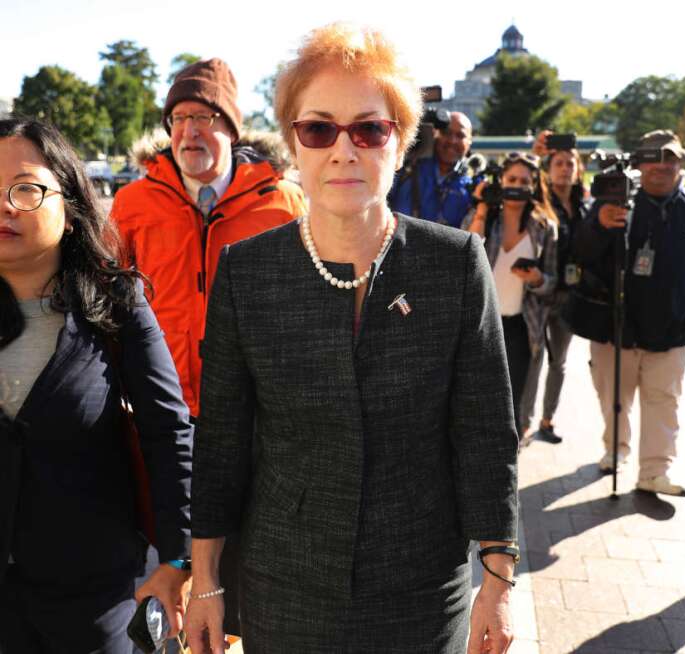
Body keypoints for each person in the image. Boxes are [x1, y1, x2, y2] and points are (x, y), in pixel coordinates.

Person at [183, 23, 519, 654]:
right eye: (319, 129)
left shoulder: (455, 263)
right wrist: (205, 580)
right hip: (283, 584)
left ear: (399, 144)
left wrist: (498, 582)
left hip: (420, 587)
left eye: (369, 129)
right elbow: (222, 439)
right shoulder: (247, 272)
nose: (344, 150)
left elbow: (484, 431)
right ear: (293, 144)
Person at [0, 118, 192, 652]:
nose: (6, 205)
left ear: (70, 205)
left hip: (98, 597)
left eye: (26, 188)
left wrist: (178, 558)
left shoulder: (117, 303)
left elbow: (167, 431)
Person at [111, 57, 307, 419]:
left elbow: (307, 305)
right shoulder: (131, 203)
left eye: (204, 117)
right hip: (160, 402)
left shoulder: (284, 202)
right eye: (179, 119)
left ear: (231, 130)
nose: (190, 131)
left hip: (255, 406)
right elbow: (108, 299)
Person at [568, 130, 685, 496]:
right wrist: (599, 226)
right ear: (638, 163)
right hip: (615, 326)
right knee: (614, 400)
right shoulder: (613, 200)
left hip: (670, 330)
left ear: (680, 164)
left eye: (670, 158)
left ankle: (655, 471)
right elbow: (580, 252)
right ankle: (615, 449)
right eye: (653, 157)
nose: (661, 165)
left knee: (664, 403)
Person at [462, 152, 559, 438]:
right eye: (512, 179)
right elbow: (465, 252)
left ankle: (506, 462)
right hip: (480, 324)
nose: (517, 185)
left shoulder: (543, 227)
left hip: (520, 325)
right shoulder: (484, 217)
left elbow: (551, 283)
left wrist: (537, 278)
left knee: (510, 401)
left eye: (524, 181)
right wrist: (482, 206)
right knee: (474, 397)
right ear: (501, 180)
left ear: (534, 185)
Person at [520, 132, 590, 443]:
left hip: (569, 294)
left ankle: (547, 420)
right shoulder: (539, 201)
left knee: (558, 362)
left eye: (570, 164)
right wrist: (535, 153)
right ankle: (523, 424)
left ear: (578, 169)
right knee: (533, 358)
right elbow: (524, 179)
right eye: (558, 163)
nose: (564, 168)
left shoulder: (583, 204)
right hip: (539, 293)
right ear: (549, 168)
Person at [388, 111, 475, 227]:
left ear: (469, 142)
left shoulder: (472, 185)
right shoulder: (407, 168)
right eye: (446, 133)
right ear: (434, 134)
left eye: (460, 135)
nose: (452, 141)